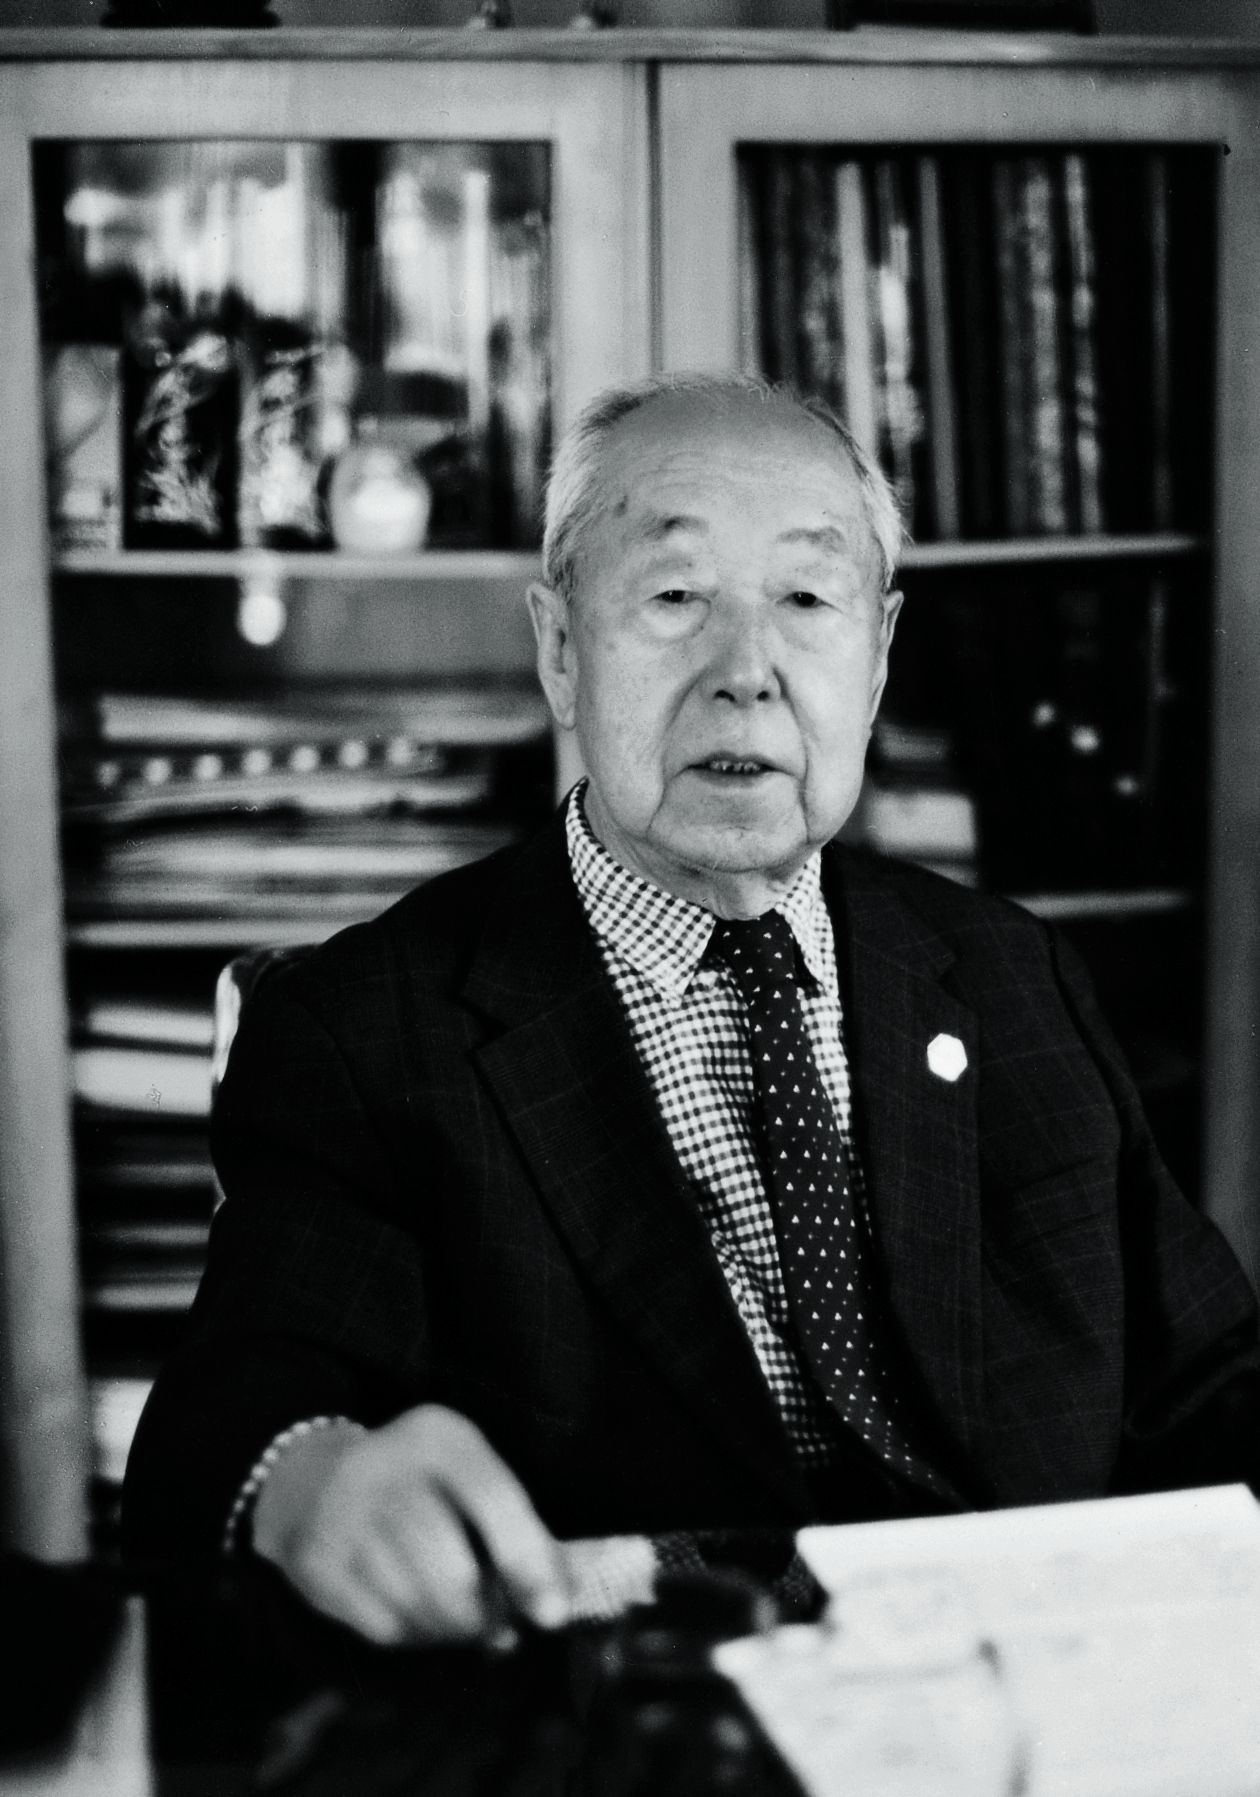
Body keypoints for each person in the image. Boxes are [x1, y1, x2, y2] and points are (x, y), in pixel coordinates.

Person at [123, 373, 1260, 1647]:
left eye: (808, 601)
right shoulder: (367, 1030)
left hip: (1034, 1683)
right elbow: (232, 1421)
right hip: (652, 1700)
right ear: (561, 649)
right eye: (674, 599)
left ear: (879, 656)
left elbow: (1209, 1382)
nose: (746, 676)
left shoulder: (1008, 974)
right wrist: (314, 1476)